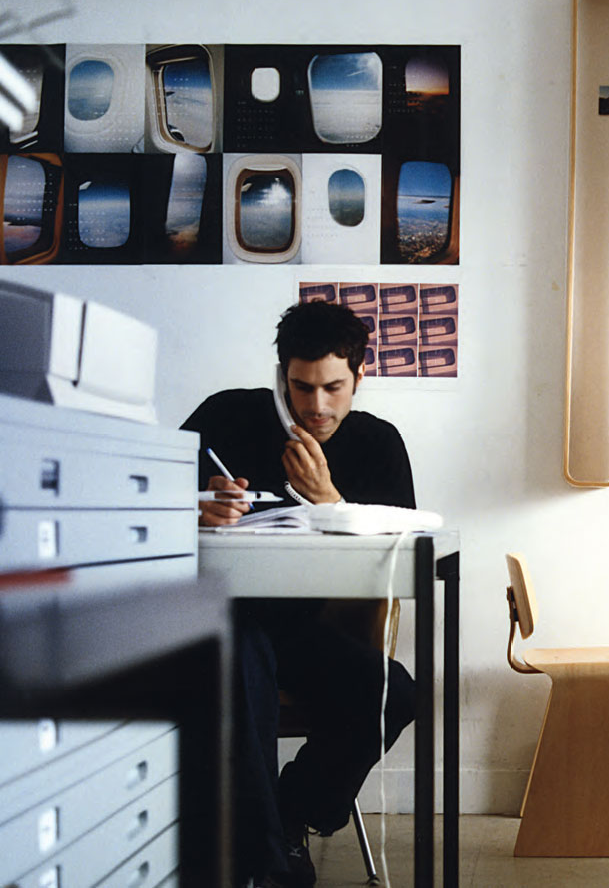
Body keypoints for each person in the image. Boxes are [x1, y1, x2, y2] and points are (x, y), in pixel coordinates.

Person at [183, 301, 417, 888]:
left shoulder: (377, 442)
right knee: (241, 663)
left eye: (334, 387)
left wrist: (331, 501)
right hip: (215, 623)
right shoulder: (226, 415)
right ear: (280, 374)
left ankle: (292, 811)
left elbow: (402, 549)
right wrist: (196, 509)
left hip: (304, 631)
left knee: (395, 692)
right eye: (300, 387)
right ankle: (265, 866)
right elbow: (140, 501)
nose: (316, 406)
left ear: (360, 377)